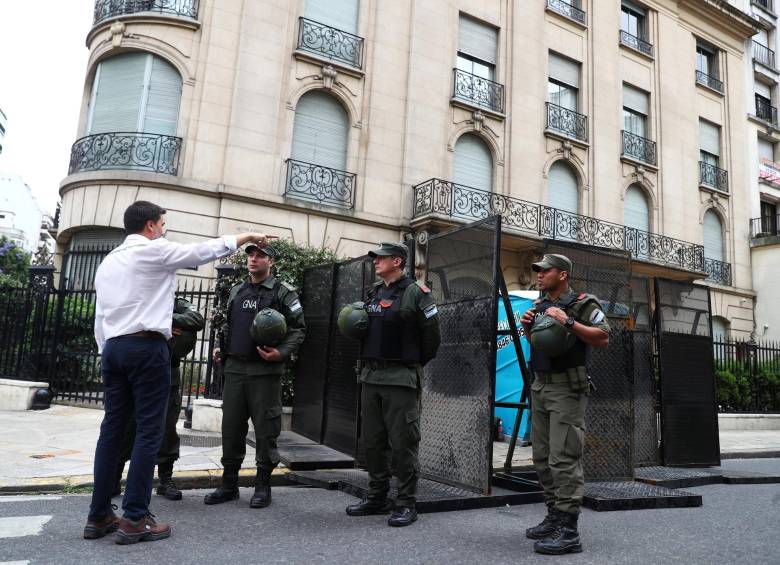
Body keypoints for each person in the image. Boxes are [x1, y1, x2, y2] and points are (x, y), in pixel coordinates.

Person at [83, 200, 274, 544]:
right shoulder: (152, 252)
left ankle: (98, 516)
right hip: (145, 349)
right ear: (151, 226)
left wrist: (105, 352)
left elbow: (100, 316)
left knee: (111, 431)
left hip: (113, 349)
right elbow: (202, 252)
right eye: (163, 224)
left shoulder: (108, 262)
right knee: (148, 432)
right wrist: (246, 235)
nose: (164, 230)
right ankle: (135, 517)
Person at [520, 253, 610, 555]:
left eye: (545, 271)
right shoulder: (540, 305)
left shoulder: (583, 303)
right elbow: (541, 345)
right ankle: (554, 517)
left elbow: (603, 337)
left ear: (562, 275)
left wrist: (568, 321)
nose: (539, 275)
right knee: (542, 457)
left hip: (567, 390)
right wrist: (528, 328)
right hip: (540, 385)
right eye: (538, 271)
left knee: (564, 458)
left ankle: (569, 531)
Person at [345, 242, 440, 527]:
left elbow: (432, 339)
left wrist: (410, 364)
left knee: (403, 444)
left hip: (400, 379)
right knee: (373, 443)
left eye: (382, 258)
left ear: (397, 261)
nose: (376, 262)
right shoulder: (374, 292)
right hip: (371, 378)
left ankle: (406, 502)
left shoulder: (416, 293)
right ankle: (377, 496)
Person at [204, 244, 305, 508]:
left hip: (265, 371)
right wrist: (220, 348)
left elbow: (298, 329)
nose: (253, 259)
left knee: (265, 429)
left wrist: (281, 353)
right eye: (250, 254)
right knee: (231, 429)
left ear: (270, 260)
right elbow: (228, 324)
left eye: (260, 255)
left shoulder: (283, 292)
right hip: (235, 369)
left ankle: (262, 485)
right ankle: (228, 485)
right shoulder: (238, 290)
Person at [113, 297, 206, 501]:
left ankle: (165, 480)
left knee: (166, 429)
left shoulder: (177, 303)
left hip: (168, 373)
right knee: (128, 425)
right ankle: (114, 478)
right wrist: (163, 327)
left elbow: (197, 320)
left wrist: (167, 320)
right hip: (139, 371)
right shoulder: (138, 298)